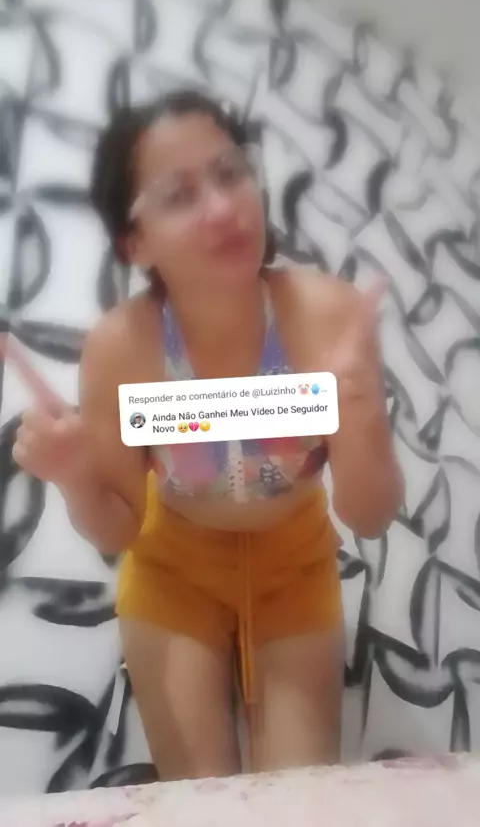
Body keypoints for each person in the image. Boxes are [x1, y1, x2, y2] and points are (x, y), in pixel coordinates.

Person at [11, 90, 403, 782]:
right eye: (179, 195)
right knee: (199, 802)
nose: (224, 208)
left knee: (298, 804)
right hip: (174, 573)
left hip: (296, 570)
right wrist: (75, 476)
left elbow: (368, 515)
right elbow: (119, 528)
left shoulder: (328, 319)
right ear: (135, 242)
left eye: (230, 173)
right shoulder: (122, 348)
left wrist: (365, 418)